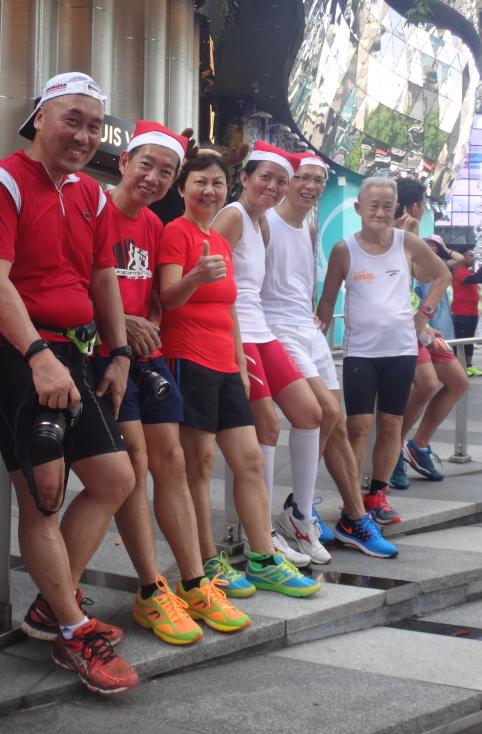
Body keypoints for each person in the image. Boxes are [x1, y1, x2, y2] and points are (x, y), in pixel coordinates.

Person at [0, 72, 140, 695]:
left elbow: (103, 279)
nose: (85, 135)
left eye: (94, 125)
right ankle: (71, 630)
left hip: (72, 351)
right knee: (44, 491)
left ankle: (50, 603)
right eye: (72, 119)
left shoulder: (92, 194)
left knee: (115, 479)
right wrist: (37, 354)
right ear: (38, 117)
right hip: (11, 349)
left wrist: (119, 354)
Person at [91, 122, 250, 647]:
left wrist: (144, 322)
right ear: (123, 163)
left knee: (174, 463)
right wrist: (114, 326)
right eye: (147, 166)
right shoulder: (92, 211)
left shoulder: (155, 229)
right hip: (104, 358)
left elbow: (157, 301)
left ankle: (195, 581)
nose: (154, 178)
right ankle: (150, 587)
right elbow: (71, 282)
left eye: (165, 170)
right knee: (135, 465)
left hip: (149, 357)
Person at [157, 148, 321, 600]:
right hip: (186, 358)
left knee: (248, 458)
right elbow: (168, 299)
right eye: (199, 183)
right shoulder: (176, 233)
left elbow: (231, 306)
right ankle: (209, 560)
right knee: (200, 464)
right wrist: (194, 276)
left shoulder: (220, 238)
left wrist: (239, 365)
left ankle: (264, 556)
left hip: (226, 363)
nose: (208, 191)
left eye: (215, 184)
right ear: (183, 189)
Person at [262, 155, 398, 558]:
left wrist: (316, 320)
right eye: (302, 178)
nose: (310, 186)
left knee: (333, 417)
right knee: (319, 411)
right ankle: (295, 514)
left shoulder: (308, 227)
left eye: (318, 180)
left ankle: (325, 514)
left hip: (306, 330)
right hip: (275, 330)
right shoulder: (263, 220)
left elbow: (302, 286)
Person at [211, 142, 328, 566]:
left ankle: (299, 517)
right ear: (244, 178)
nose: (274, 186)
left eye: (281, 180)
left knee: (311, 413)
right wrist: (233, 352)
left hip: (262, 330)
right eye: (266, 177)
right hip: (236, 335)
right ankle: (261, 532)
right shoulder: (233, 216)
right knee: (268, 428)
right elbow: (210, 278)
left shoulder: (260, 224)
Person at [316, 177, 449, 527]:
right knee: (358, 426)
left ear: (397, 209)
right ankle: (351, 501)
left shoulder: (407, 242)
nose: (380, 212)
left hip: (401, 351)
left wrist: (424, 317)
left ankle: (376, 494)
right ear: (359, 208)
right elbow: (327, 301)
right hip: (360, 353)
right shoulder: (344, 249)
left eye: (387, 206)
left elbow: (441, 275)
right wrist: (316, 344)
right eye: (373, 205)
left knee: (391, 425)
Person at [389, 179, 467, 489]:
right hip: (397, 325)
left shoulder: (410, 237)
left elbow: (426, 275)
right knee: (426, 384)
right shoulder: (385, 235)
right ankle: (391, 449)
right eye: (423, 204)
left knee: (458, 381)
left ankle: (417, 444)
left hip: (418, 325)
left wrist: (424, 317)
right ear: (412, 207)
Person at [452, 248, 482, 377]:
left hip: (472, 312)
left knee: (469, 339)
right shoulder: (458, 271)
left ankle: (468, 365)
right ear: (462, 258)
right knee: (460, 340)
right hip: (461, 312)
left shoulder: (469, 272)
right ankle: (458, 367)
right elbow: (473, 279)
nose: (473, 258)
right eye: (471, 256)